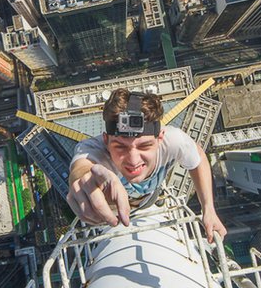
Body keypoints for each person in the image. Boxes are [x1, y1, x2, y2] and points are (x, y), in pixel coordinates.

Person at [66, 88, 227, 242]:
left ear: (160, 138)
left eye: (145, 146)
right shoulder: (92, 150)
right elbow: (82, 167)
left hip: (149, 200)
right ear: (105, 141)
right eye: (121, 147)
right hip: (114, 216)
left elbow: (197, 156)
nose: (133, 160)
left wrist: (209, 208)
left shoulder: (174, 141)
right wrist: (84, 179)